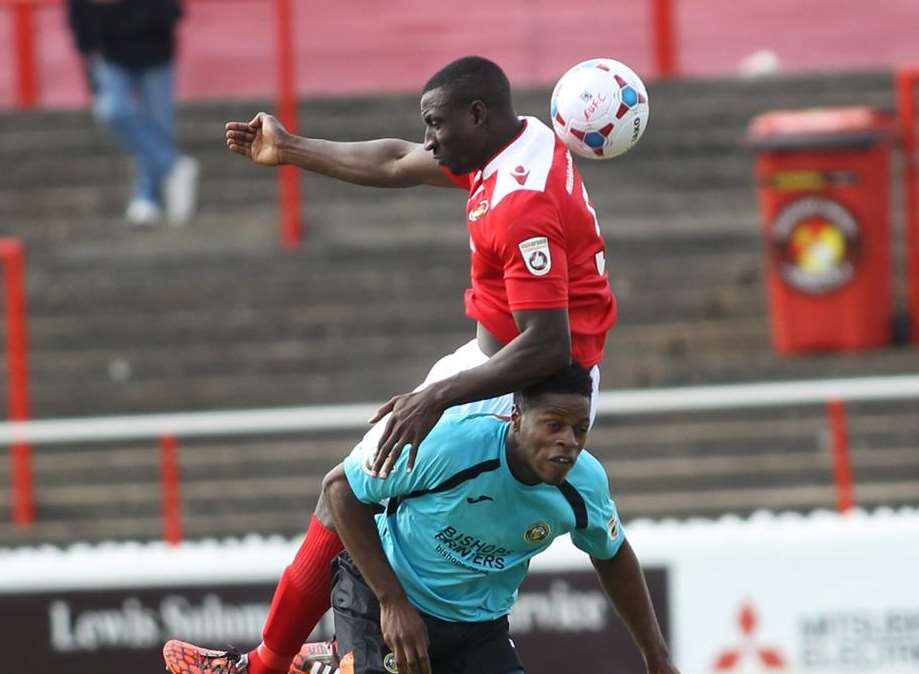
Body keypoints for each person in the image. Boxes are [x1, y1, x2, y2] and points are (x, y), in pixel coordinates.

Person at [163, 56, 617, 674]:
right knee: (350, 494)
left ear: (478, 114)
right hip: (494, 360)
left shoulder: (521, 203)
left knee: (366, 505)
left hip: (524, 383)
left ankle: (299, 661)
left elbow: (547, 345)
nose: (429, 138)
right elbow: (396, 160)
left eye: (436, 123)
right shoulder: (516, 141)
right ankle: (289, 661)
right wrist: (291, 148)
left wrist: (438, 398)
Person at [165, 364, 679, 674]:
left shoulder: (583, 484)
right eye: (554, 425)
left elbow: (612, 555)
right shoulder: (452, 443)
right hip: (382, 597)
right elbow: (340, 491)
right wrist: (392, 601)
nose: (568, 441)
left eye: (579, 429)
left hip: (477, 628)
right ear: (516, 417)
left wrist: (656, 657)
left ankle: (326, 665)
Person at [67, 0, 200, 226]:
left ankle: (147, 196)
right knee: (112, 110)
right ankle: (172, 166)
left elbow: (171, 11)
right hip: (111, 54)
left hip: (155, 52)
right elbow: (78, 14)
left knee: (158, 126)